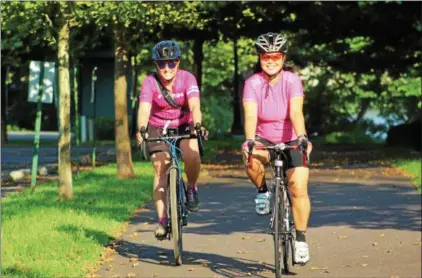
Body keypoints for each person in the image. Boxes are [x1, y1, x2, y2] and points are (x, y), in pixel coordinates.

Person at [241, 32, 312, 264]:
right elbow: (251, 114)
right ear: (259, 58)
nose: (270, 61)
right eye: (265, 57)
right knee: (250, 158)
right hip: (263, 139)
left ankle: (300, 239)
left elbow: (295, 112)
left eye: (275, 56)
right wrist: (250, 140)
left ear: (283, 58)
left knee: (297, 187)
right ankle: (263, 191)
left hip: (291, 138)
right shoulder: (252, 83)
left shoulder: (292, 80)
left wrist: (302, 137)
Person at [136, 40, 207, 240]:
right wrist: (142, 130)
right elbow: (144, 108)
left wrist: (197, 125)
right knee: (161, 166)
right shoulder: (150, 82)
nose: (166, 68)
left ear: (178, 62)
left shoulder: (188, 78)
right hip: (158, 127)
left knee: (192, 154)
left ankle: (192, 187)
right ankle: (162, 220)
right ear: (156, 64)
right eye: (161, 64)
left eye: (171, 63)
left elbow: (195, 106)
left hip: (184, 124)